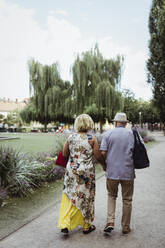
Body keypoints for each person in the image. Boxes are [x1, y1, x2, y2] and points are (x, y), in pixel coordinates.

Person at [58, 114, 106, 235]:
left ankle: (65, 224)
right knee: (86, 197)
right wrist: (104, 165)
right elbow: (98, 155)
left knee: (70, 194)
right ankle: (86, 226)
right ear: (89, 124)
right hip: (86, 172)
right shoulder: (92, 138)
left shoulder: (71, 138)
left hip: (72, 171)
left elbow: (64, 154)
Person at [100, 112, 136, 235]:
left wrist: (104, 165)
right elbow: (140, 150)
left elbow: (103, 153)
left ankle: (110, 221)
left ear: (115, 122)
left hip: (112, 172)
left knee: (111, 195)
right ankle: (125, 227)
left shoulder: (107, 134)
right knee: (127, 199)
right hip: (128, 171)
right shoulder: (132, 134)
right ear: (125, 123)